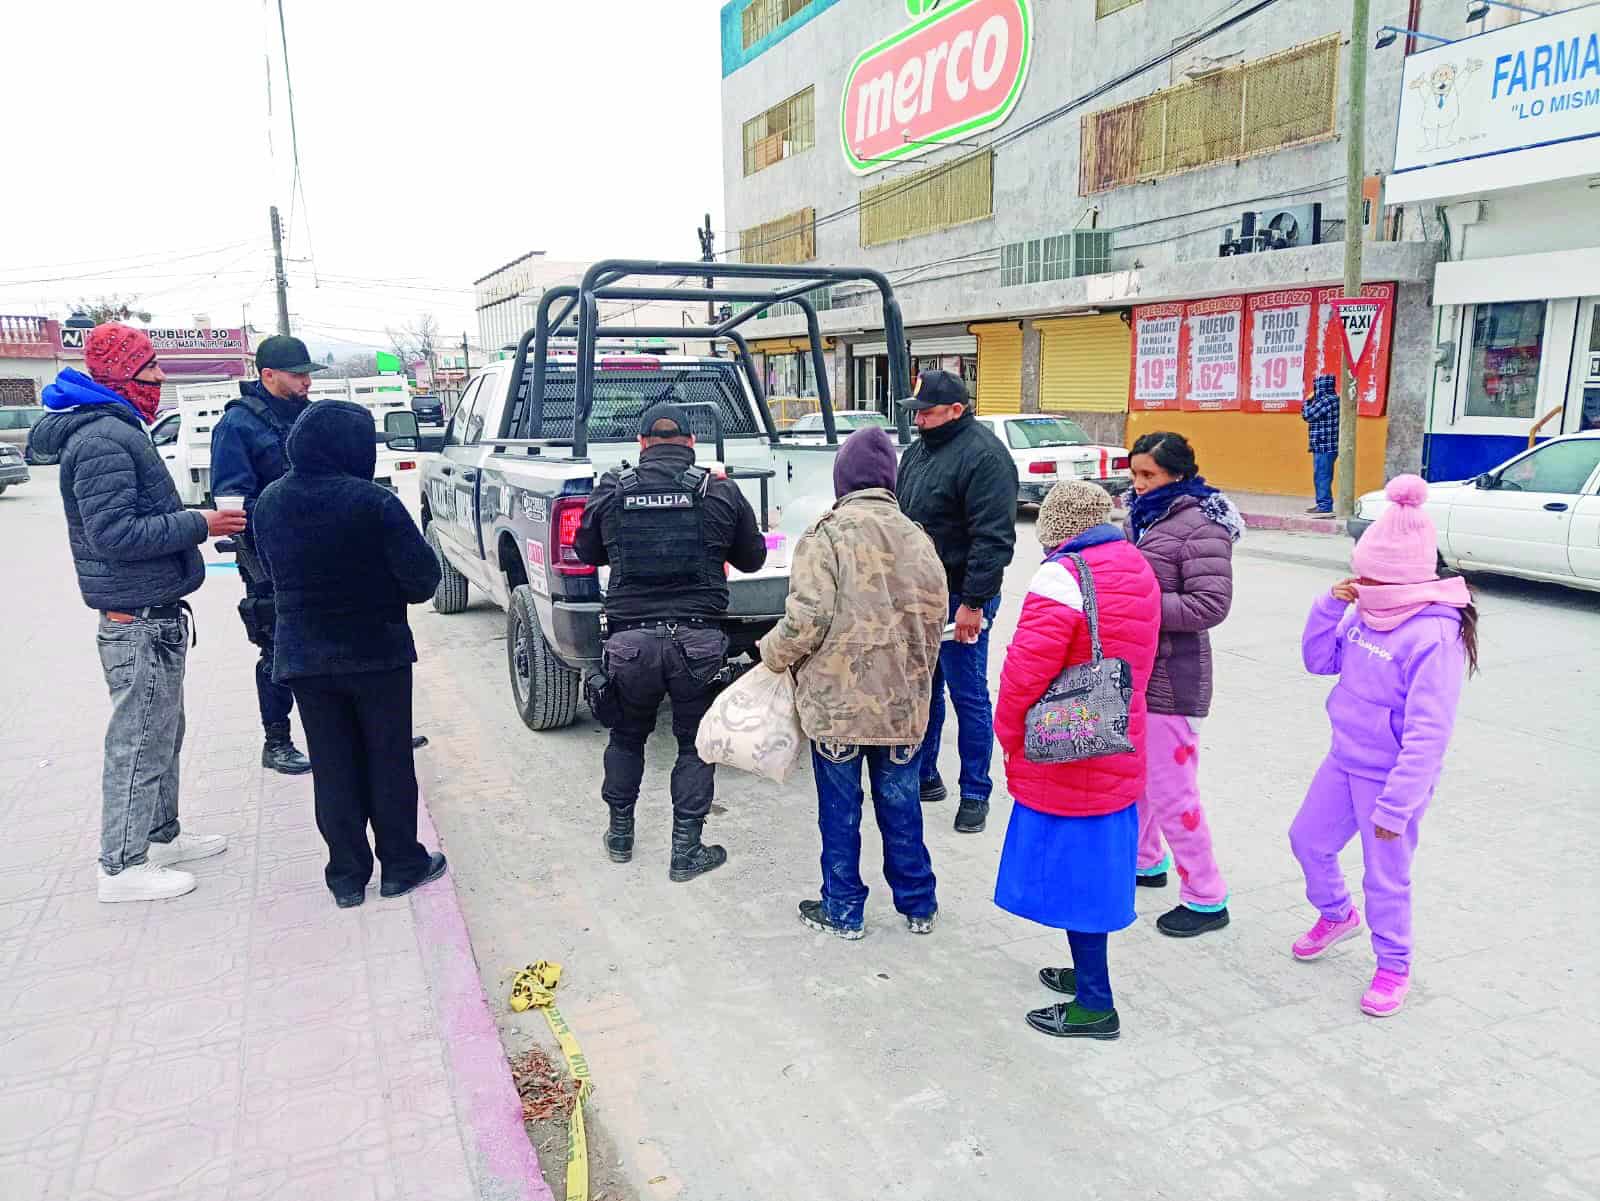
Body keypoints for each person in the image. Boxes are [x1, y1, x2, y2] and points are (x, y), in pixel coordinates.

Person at [30, 324, 244, 903]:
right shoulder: (103, 439)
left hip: (155, 611)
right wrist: (200, 523)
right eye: (151, 370)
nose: (159, 380)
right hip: (135, 619)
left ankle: (160, 834)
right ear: (123, 375)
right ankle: (121, 865)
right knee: (139, 738)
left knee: (163, 732)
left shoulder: (120, 428)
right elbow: (115, 534)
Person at [1289, 475, 1476, 1018]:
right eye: (1359, 572)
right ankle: (1337, 914)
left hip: (1391, 779)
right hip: (1344, 759)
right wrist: (1328, 606)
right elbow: (1318, 661)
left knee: (1385, 877)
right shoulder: (1362, 610)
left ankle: (1394, 965)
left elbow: (1429, 733)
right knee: (1308, 841)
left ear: (1400, 577)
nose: (1360, 583)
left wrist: (1397, 805)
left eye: (1371, 576)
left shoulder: (1434, 635)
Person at [251, 401, 446, 908]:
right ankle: (401, 865)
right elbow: (423, 581)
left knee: (332, 765)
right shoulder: (373, 502)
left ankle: (346, 877)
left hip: (304, 656)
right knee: (388, 760)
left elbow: (268, 571)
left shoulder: (270, 501)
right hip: (375, 653)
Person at [759, 427, 948, 939]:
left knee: (840, 812)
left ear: (843, 480)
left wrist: (770, 655)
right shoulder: (919, 537)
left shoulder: (826, 535)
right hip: (902, 706)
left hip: (838, 706)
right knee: (902, 806)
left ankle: (843, 910)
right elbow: (937, 618)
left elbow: (806, 620)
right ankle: (919, 905)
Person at [993, 482, 1161, 1040]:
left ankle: (1095, 1003)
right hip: (1116, 737)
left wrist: (1007, 731)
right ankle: (1085, 973)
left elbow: (1025, 672)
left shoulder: (1062, 576)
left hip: (1067, 749)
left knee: (1077, 876)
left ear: (1056, 527)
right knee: (1092, 872)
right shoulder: (1134, 563)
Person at [574, 402, 767, 881]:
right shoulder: (719, 489)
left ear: (642, 444)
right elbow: (753, 560)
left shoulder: (612, 488)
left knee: (626, 736)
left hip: (630, 643)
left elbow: (585, 551)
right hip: (698, 642)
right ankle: (686, 851)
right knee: (695, 745)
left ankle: (620, 837)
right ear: (691, 442)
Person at [1125, 431, 1242, 939]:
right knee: (1139, 779)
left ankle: (1206, 896)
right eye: (1134, 473)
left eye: (1148, 474)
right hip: (1140, 670)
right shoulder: (1143, 516)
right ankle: (1146, 860)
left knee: (1174, 792)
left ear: (1177, 474)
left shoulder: (1201, 526)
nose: (1138, 483)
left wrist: (1136, 603)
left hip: (1175, 677)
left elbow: (1210, 605)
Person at [896, 369, 1019, 834]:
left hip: (961, 596)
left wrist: (974, 603)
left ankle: (975, 792)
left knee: (968, 693)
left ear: (956, 410)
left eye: (927, 413)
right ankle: (926, 775)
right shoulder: (918, 452)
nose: (919, 421)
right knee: (925, 688)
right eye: (916, 413)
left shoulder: (985, 457)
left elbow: (993, 539)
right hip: (919, 595)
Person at [209, 334, 322, 775]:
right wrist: (286, 512)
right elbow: (231, 502)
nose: (306, 382)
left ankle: (352, 729)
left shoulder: (310, 415)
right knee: (278, 647)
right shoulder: (237, 426)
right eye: (298, 375)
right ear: (268, 374)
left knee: (338, 637)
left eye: (308, 374)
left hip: (321, 548)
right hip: (269, 557)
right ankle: (276, 742)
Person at [1302, 373, 1340, 517]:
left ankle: (1324, 505)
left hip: (1324, 445)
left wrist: (1307, 401)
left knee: (1321, 476)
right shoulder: (1336, 399)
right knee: (1324, 475)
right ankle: (1323, 503)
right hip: (1330, 444)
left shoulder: (1325, 400)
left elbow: (1308, 415)